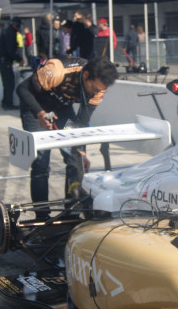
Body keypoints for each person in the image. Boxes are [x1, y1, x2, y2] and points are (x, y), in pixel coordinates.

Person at [15, 57, 118, 220]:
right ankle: (41, 216)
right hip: (34, 108)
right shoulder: (57, 70)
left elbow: (81, 122)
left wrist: (80, 151)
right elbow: (22, 89)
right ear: (86, 76)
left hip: (62, 110)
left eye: (99, 90)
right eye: (93, 88)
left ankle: (71, 214)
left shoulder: (98, 90)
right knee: (41, 164)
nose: (95, 93)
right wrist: (40, 114)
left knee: (75, 162)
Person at [0, 18, 23, 110]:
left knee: (6, 83)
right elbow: (10, 50)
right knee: (9, 83)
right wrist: (19, 59)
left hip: (3, 60)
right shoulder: (10, 33)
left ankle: (6, 102)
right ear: (15, 25)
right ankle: (8, 103)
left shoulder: (7, 31)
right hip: (5, 60)